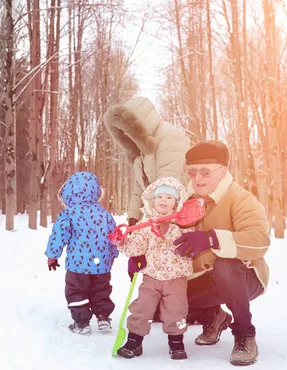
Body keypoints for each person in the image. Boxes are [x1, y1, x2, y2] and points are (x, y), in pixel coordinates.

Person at [172, 140, 270, 366]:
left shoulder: (240, 198)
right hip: (202, 277)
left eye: (205, 172)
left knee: (225, 264)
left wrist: (211, 238)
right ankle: (214, 316)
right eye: (192, 172)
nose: (198, 178)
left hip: (244, 277)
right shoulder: (184, 201)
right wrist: (143, 254)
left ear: (222, 171)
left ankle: (245, 333)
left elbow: (259, 240)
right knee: (163, 297)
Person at [103, 96, 190, 322]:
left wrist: (144, 234)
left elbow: (168, 190)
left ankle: (205, 312)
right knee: (157, 268)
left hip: (176, 218)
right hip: (155, 219)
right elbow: (138, 190)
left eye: (131, 130)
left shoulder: (169, 138)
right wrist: (133, 222)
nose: (128, 136)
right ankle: (161, 306)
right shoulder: (141, 154)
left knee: (175, 270)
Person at [115, 177, 193, 360]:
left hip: (176, 277)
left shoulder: (182, 223)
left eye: (169, 197)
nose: (163, 201)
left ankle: (176, 342)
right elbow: (136, 247)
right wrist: (121, 241)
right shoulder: (145, 225)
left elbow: (184, 241)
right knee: (142, 307)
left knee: (176, 310)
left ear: (177, 202)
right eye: (160, 197)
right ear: (153, 200)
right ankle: (134, 341)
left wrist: (166, 228)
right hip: (151, 276)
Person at [45, 171, 119, 335]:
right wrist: (113, 254)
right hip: (102, 264)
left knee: (77, 290)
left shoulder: (69, 213)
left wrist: (52, 255)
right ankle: (103, 317)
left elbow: (59, 235)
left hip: (78, 265)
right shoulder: (104, 214)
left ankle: (81, 322)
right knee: (101, 289)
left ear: (69, 192)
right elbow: (114, 235)